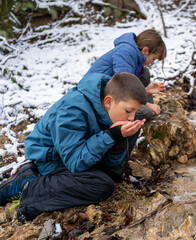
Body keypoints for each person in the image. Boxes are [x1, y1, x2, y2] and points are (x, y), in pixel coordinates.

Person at [0, 72, 147, 222]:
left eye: (135, 112)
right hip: (51, 159)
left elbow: (111, 164)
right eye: (129, 111)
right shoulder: (72, 109)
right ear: (108, 102)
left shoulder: (111, 110)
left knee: (110, 173)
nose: (131, 117)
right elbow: (75, 162)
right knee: (101, 185)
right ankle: (27, 187)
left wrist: (119, 138)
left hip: (78, 153)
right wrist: (110, 135)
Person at [86, 29, 167, 121]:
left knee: (145, 73)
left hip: (113, 89)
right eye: (154, 58)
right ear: (145, 51)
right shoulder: (126, 52)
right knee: (146, 112)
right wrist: (147, 105)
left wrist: (146, 91)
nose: (152, 62)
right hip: (96, 97)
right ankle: (144, 109)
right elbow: (124, 85)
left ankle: (147, 107)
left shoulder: (134, 55)